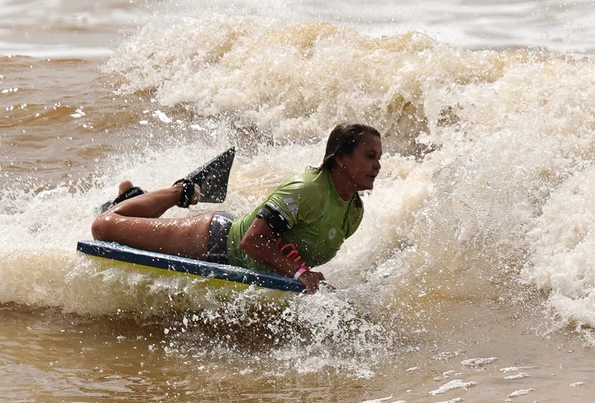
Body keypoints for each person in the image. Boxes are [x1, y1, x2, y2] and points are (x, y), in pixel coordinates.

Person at [91, 123, 381, 293]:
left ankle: (134, 197)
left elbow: (291, 253)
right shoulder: (307, 190)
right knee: (103, 227)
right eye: (369, 156)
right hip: (212, 240)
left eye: (379, 157)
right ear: (340, 158)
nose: (377, 165)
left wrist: (304, 275)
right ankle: (181, 190)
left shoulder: (353, 212)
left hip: (233, 246)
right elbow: (252, 241)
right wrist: (300, 274)